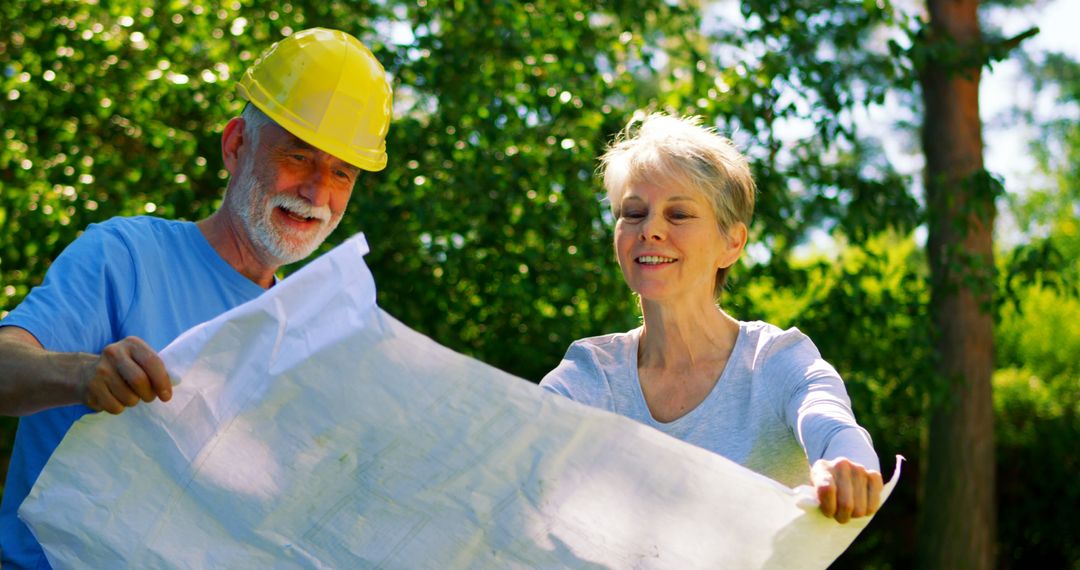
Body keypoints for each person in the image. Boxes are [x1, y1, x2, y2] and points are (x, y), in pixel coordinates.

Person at [0, 28, 393, 567]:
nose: (316, 193)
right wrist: (82, 375)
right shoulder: (126, 255)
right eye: (299, 156)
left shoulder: (308, 334)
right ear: (236, 145)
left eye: (342, 173)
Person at [541, 114, 883, 524]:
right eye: (633, 213)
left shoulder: (775, 359)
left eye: (678, 215)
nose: (649, 229)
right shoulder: (591, 375)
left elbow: (832, 424)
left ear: (731, 243)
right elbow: (513, 443)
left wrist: (847, 464)